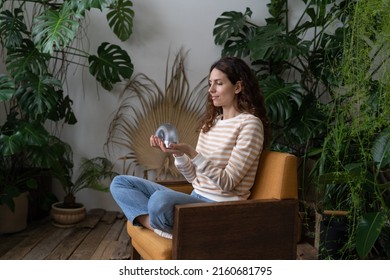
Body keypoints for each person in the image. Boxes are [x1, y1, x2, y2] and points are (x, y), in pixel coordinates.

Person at [110, 56, 270, 239]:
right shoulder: (211, 123)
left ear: (238, 87)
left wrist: (192, 153)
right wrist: (179, 155)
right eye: (210, 83)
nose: (211, 90)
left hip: (220, 208)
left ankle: (169, 230)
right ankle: (162, 230)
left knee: (159, 201)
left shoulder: (250, 125)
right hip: (195, 199)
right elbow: (194, 178)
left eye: (218, 83)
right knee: (120, 183)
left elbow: (229, 182)